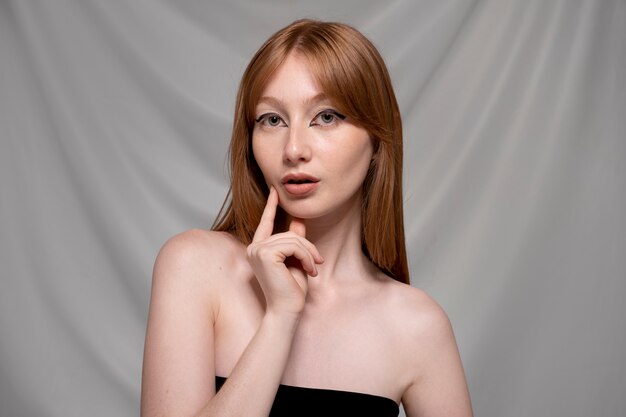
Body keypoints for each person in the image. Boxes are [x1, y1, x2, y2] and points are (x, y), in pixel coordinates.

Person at [141, 19, 473, 417]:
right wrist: (280, 320)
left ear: (376, 143)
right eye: (272, 120)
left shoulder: (417, 325)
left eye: (327, 116)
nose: (294, 148)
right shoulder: (194, 266)